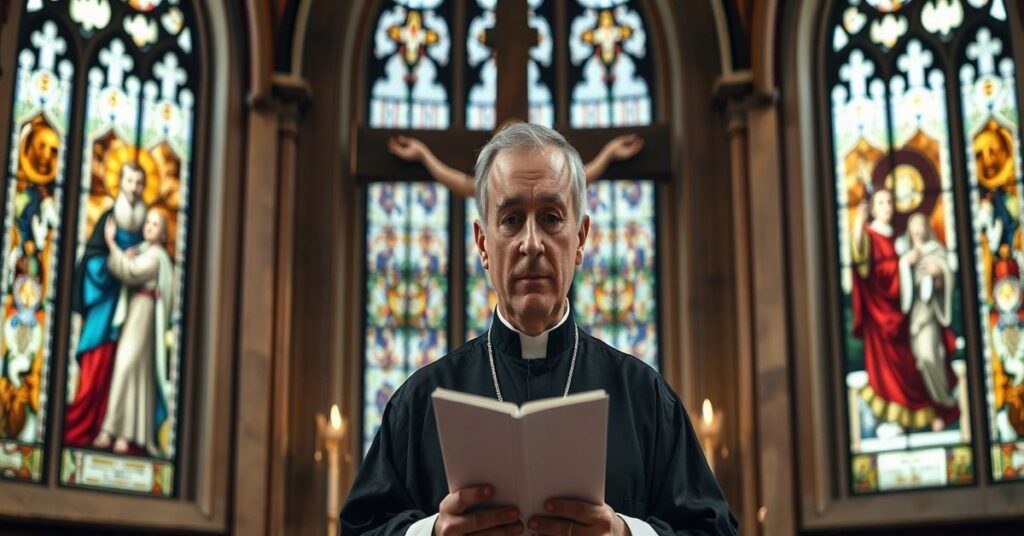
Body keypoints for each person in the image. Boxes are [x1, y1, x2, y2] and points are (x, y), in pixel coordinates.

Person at [342, 124, 737, 535]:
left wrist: (625, 533)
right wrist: (433, 532)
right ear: (482, 243)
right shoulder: (420, 401)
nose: (531, 243)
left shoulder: (645, 398)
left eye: (551, 217)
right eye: (511, 220)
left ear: (580, 238)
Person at [850, 190, 958, 432]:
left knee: (918, 361)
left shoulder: (899, 239)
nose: (887, 206)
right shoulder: (869, 235)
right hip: (881, 317)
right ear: (873, 209)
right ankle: (896, 420)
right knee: (889, 372)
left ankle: (928, 412)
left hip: (907, 313)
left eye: (890, 201)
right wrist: (858, 223)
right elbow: (865, 267)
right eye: (881, 203)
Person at [64, 163, 148, 448]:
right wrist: (117, 263)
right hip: (103, 307)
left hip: (133, 313)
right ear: (120, 183)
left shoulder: (146, 227)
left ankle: (116, 432)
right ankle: (83, 428)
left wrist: (133, 268)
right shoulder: (108, 220)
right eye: (129, 181)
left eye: (139, 182)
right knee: (95, 370)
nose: (134, 187)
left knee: (123, 372)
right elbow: (89, 261)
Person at [92, 208, 174, 456]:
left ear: (162, 233)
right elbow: (131, 263)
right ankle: (118, 432)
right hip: (137, 313)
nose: (148, 227)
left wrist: (110, 243)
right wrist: (126, 253)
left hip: (145, 314)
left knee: (127, 366)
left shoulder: (156, 256)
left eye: (155, 224)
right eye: (147, 222)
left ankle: (121, 433)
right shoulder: (143, 250)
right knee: (130, 369)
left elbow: (131, 271)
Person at [387, 132, 644, 197]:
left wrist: (609, 153)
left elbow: (579, 177)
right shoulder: (497, 182)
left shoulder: (548, 177)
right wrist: (422, 155)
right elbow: (456, 181)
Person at [896, 213, 958, 425]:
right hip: (915, 314)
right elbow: (902, 290)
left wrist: (939, 273)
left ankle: (944, 401)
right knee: (918, 361)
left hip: (931, 313)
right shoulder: (905, 254)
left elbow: (947, 276)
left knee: (930, 355)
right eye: (913, 226)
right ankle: (933, 409)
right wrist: (905, 264)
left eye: (921, 225)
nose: (918, 229)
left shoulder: (936, 249)